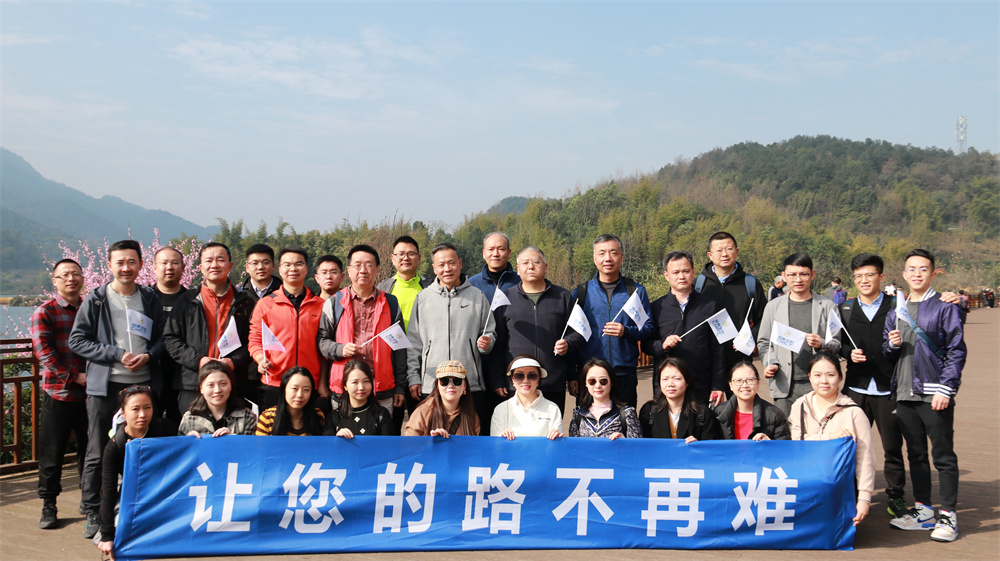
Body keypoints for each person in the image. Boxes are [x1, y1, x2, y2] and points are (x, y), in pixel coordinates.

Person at [69, 239, 165, 539]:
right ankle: (93, 511)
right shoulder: (96, 299)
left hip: (143, 383)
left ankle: (141, 507)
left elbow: (164, 337)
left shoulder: (149, 297)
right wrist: (116, 354)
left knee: (145, 447)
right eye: (119, 262)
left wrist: (149, 355)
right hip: (106, 384)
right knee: (98, 448)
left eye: (131, 262)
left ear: (141, 265)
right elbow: (77, 340)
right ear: (109, 265)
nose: (126, 268)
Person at [884, 249, 966, 542]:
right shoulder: (896, 311)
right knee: (916, 454)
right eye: (912, 269)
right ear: (904, 274)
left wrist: (946, 388)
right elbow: (887, 353)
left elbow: (956, 350)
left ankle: (949, 515)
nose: (917, 274)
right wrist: (892, 345)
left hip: (934, 393)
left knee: (943, 456)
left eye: (923, 269)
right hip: (905, 392)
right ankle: (924, 510)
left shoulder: (945, 306)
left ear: (933, 273)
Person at [838, 253, 907, 517]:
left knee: (892, 446)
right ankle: (852, 493)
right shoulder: (845, 309)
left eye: (869, 275)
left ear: (881, 277)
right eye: (858, 276)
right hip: (856, 388)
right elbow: (838, 342)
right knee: (851, 445)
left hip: (889, 388)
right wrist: (848, 353)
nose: (864, 280)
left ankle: (896, 495)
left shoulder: (896, 306)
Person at [406, 243, 495, 431]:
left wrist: (487, 343)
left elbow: (489, 332)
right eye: (441, 264)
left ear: (460, 264)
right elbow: (414, 343)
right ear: (434, 268)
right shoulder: (423, 299)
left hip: (469, 384)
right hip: (433, 385)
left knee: (470, 436)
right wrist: (414, 377)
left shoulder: (477, 296)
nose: (447, 269)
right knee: (432, 437)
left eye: (451, 263)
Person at [31, 258, 89, 530]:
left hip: (90, 394)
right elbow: (43, 351)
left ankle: (89, 500)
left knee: (90, 451)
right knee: (52, 453)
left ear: (83, 278)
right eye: (64, 275)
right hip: (59, 393)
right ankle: (49, 504)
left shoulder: (90, 309)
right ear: (54, 281)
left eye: (75, 274)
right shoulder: (46, 311)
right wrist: (74, 376)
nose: (71, 279)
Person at [164, 242, 254, 413]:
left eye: (220, 259)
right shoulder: (186, 301)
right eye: (209, 260)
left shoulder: (245, 303)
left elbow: (253, 341)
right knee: (193, 428)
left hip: (232, 383)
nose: (214, 265)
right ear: (200, 267)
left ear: (230, 266)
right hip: (193, 383)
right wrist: (198, 361)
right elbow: (171, 339)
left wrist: (233, 362)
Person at [318, 245, 406, 418]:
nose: (363, 270)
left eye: (369, 265)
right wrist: (340, 349)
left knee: (381, 434)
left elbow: (400, 348)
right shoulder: (334, 303)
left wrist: (400, 386)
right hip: (344, 389)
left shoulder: (391, 303)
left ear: (377, 270)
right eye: (357, 265)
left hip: (382, 389)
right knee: (344, 433)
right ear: (349, 270)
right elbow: (322, 341)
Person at [790, 351, 874, 527]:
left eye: (830, 375)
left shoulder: (854, 412)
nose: (824, 381)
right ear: (809, 377)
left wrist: (864, 499)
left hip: (839, 490)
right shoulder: (799, 406)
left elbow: (865, 459)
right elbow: (795, 442)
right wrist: (831, 438)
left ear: (840, 377)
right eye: (817, 375)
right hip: (805, 485)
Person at [572, 234, 654, 408]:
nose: (608, 258)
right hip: (591, 376)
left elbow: (648, 328)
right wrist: (572, 375)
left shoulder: (635, 291)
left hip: (624, 374)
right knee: (589, 422)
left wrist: (626, 331)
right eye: (602, 253)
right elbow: (573, 334)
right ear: (594, 259)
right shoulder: (582, 292)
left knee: (625, 421)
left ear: (621, 257)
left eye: (613, 253)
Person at [499, 246, 582, 415]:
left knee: (552, 429)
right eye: (525, 263)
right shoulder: (505, 299)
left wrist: (568, 344)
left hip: (553, 382)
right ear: (518, 270)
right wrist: (497, 380)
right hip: (518, 384)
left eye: (536, 262)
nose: (531, 266)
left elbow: (577, 332)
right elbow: (498, 342)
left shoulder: (563, 297)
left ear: (545, 267)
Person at [756, 253, 841, 416]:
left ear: (812, 275)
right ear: (784, 276)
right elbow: (764, 343)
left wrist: (822, 343)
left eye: (804, 274)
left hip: (818, 384)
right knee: (785, 430)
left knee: (819, 428)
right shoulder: (773, 307)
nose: (798, 279)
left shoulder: (828, 306)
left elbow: (836, 344)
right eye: (792, 275)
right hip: (784, 384)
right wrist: (770, 363)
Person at [96, 385, 175, 561]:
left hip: (165, 494)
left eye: (147, 408)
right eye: (135, 409)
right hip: (133, 495)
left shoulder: (166, 429)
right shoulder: (115, 446)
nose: (142, 414)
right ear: (123, 413)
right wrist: (107, 535)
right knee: (118, 539)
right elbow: (108, 491)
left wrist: (191, 436)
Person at [642, 250, 725, 407]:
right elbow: (646, 345)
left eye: (686, 271)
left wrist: (718, 385)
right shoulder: (656, 308)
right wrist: (662, 345)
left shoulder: (711, 306)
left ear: (693, 272)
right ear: (667, 275)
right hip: (667, 387)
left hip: (701, 385)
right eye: (676, 272)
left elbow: (718, 350)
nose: (681, 276)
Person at [248, 247, 325, 410]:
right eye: (287, 264)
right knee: (272, 425)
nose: (293, 269)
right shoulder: (266, 304)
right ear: (279, 269)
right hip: (274, 382)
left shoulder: (320, 305)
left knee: (309, 425)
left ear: (306, 269)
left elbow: (325, 346)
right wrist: (260, 359)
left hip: (309, 382)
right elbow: (255, 339)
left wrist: (323, 382)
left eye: (298, 264)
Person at [377, 235, 433, 431]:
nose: (405, 258)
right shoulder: (383, 289)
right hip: (393, 364)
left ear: (419, 258)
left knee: (424, 422)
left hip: (423, 362)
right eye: (400, 254)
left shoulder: (431, 287)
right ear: (392, 259)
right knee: (392, 424)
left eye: (411, 254)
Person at [468, 232, 521, 429]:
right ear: (483, 253)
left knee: (510, 424)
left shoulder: (520, 281)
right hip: (479, 364)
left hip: (511, 362)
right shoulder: (472, 285)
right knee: (481, 423)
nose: (495, 254)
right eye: (491, 249)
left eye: (501, 249)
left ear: (509, 252)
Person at [694, 231, 768, 372]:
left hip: (739, 359)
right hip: (705, 360)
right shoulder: (699, 284)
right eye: (719, 250)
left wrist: (749, 337)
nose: (724, 254)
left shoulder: (750, 283)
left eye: (729, 249)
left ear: (736, 251)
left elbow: (763, 320)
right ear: (710, 255)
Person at [639, 357, 724, 441]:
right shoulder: (648, 411)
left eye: (677, 379)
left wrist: (698, 445)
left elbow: (712, 446)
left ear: (687, 382)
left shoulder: (702, 413)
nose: (670, 384)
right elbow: (642, 445)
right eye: (665, 379)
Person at [151, 247, 187, 422]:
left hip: (182, 375)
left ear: (183, 267)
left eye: (174, 263)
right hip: (150, 371)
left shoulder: (192, 300)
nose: (169, 267)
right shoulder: (145, 299)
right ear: (154, 267)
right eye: (164, 263)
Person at [490, 355, 564, 440]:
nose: (525, 380)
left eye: (532, 376)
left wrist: (557, 438)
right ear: (512, 379)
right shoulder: (501, 409)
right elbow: (496, 445)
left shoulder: (553, 409)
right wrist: (502, 438)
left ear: (539, 378)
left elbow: (555, 446)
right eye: (519, 376)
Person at [178, 361, 257, 437]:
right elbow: (179, 445)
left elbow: (251, 445)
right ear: (201, 388)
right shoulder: (189, 419)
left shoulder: (247, 416)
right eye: (210, 385)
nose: (217, 390)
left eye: (223, 384)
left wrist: (233, 439)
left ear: (231, 385)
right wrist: (187, 441)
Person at [713, 362, 790, 440]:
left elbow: (785, 445)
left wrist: (769, 443)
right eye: (738, 381)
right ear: (731, 385)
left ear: (758, 383)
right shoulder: (719, 413)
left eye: (750, 380)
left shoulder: (775, 415)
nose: (745, 385)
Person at [568, 358, 641, 439]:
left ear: (611, 382)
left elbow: (637, 445)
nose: (598, 386)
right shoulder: (579, 414)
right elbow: (573, 446)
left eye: (603, 381)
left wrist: (624, 442)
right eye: (592, 381)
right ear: (586, 383)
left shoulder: (627, 413)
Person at [404, 361, 480, 437]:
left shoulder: (472, 417)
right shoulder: (423, 412)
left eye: (457, 381)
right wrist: (431, 440)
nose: (450, 386)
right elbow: (409, 442)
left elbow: (473, 444)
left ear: (465, 386)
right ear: (437, 387)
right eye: (444, 381)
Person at [324, 360, 393, 437]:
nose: (361, 387)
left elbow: (388, 443)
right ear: (345, 386)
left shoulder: (381, 414)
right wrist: (337, 439)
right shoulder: (334, 417)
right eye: (355, 382)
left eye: (366, 381)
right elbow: (326, 444)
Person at [255, 367, 325, 436]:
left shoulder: (318, 416)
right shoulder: (267, 418)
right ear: (284, 389)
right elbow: (261, 443)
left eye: (306, 390)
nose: (299, 395)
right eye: (294, 388)